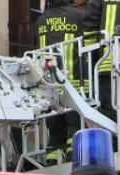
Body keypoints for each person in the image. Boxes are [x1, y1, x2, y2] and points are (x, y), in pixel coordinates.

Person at [35, 0, 86, 164]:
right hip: (73, 84)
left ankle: (52, 159)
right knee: (74, 126)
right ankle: (74, 156)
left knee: (55, 128)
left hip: (49, 87)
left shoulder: (40, 21)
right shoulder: (79, 16)